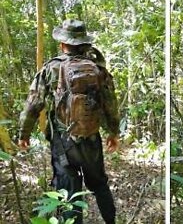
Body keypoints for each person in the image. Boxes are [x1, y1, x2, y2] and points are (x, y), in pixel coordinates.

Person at [18, 19, 120, 224]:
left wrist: (24, 134)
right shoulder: (98, 69)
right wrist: (113, 132)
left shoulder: (52, 68)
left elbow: (33, 104)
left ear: (63, 44)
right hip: (91, 139)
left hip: (63, 143)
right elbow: (110, 103)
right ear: (84, 43)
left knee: (68, 192)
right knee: (99, 184)